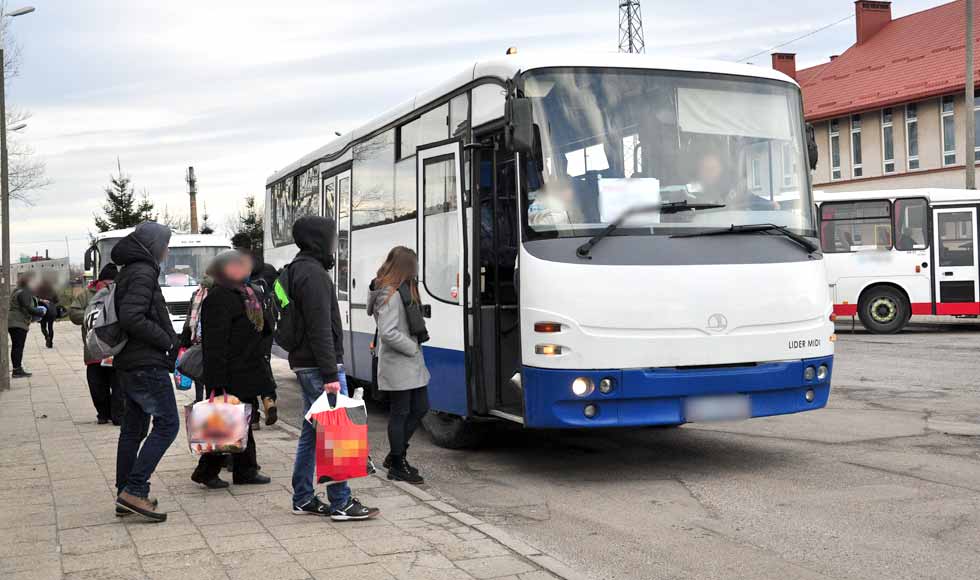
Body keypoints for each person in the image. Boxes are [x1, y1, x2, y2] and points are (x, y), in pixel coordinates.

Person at [287, 215, 379, 521]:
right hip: (319, 366)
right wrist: (330, 374)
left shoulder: (296, 270)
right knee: (337, 433)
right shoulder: (313, 274)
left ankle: (302, 497)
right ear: (317, 240)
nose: (332, 244)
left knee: (312, 432)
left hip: (305, 362)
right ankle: (341, 502)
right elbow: (319, 328)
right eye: (328, 238)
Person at [112, 222, 180, 523]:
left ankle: (125, 492)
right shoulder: (143, 271)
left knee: (133, 428)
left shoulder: (131, 269)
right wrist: (165, 340)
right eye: (165, 245)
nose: (167, 250)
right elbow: (132, 316)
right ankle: (135, 490)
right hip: (146, 364)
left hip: (130, 363)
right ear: (153, 245)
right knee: (168, 425)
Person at [190, 250, 272, 489]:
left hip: (247, 367)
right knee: (224, 424)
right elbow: (214, 344)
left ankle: (243, 469)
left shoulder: (247, 294)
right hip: (230, 372)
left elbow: (264, 327)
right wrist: (217, 382)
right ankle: (211, 471)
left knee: (240, 420)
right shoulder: (219, 298)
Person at [367, 247, 430, 485]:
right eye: (413, 265)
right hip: (399, 362)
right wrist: (412, 348)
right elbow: (389, 332)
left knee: (421, 407)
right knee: (401, 412)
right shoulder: (391, 295)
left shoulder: (402, 290)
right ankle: (397, 462)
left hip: (408, 364)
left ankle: (396, 456)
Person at [232, 233, 278, 427]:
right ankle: (269, 399)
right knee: (263, 362)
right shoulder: (268, 269)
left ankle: (253, 418)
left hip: (243, 327)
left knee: (245, 369)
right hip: (265, 324)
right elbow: (279, 296)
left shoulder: (234, 266)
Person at [69, 264, 124, 425]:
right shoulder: (86, 295)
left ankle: (117, 415)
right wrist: (93, 315)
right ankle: (103, 413)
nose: (107, 286)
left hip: (116, 349)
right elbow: (73, 313)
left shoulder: (120, 293)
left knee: (118, 385)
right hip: (94, 349)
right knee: (97, 386)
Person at [7, 272, 47, 378]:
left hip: (14, 321)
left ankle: (17, 368)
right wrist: (40, 312)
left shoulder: (18, 291)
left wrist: (40, 301)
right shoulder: (24, 292)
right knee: (18, 346)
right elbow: (27, 307)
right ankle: (17, 370)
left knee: (17, 346)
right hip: (18, 322)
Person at [36, 278, 59, 349]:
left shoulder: (39, 290)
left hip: (43, 311)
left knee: (43, 326)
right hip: (51, 311)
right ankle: (50, 342)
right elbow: (57, 300)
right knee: (50, 327)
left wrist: (41, 300)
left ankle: (47, 337)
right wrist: (51, 302)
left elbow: (35, 300)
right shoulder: (52, 290)